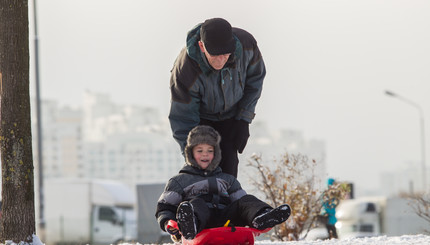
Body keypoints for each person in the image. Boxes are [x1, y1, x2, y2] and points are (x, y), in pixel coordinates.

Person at [155, 125, 290, 241]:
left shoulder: (227, 179)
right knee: (195, 203)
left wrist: (250, 210)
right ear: (190, 153)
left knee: (245, 200)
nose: (205, 155)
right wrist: (168, 222)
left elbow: (241, 203)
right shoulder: (179, 181)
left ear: (216, 154)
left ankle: (261, 217)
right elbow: (165, 208)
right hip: (201, 224)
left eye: (210, 151)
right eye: (199, 151)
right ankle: (190, 224)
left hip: (226, 221)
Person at [168, 17, 266, 178]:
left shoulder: (247, 46)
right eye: (215, 55)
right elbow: (183, 118)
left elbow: (255, 80)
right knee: (204, 170)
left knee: (229, 167)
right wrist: (192, 156)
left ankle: (229, 201)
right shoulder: (185, 71)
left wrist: (244, 119)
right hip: (200, 120)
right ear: (202, 46)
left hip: (232, 116)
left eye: (226, 54)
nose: (221, 60)